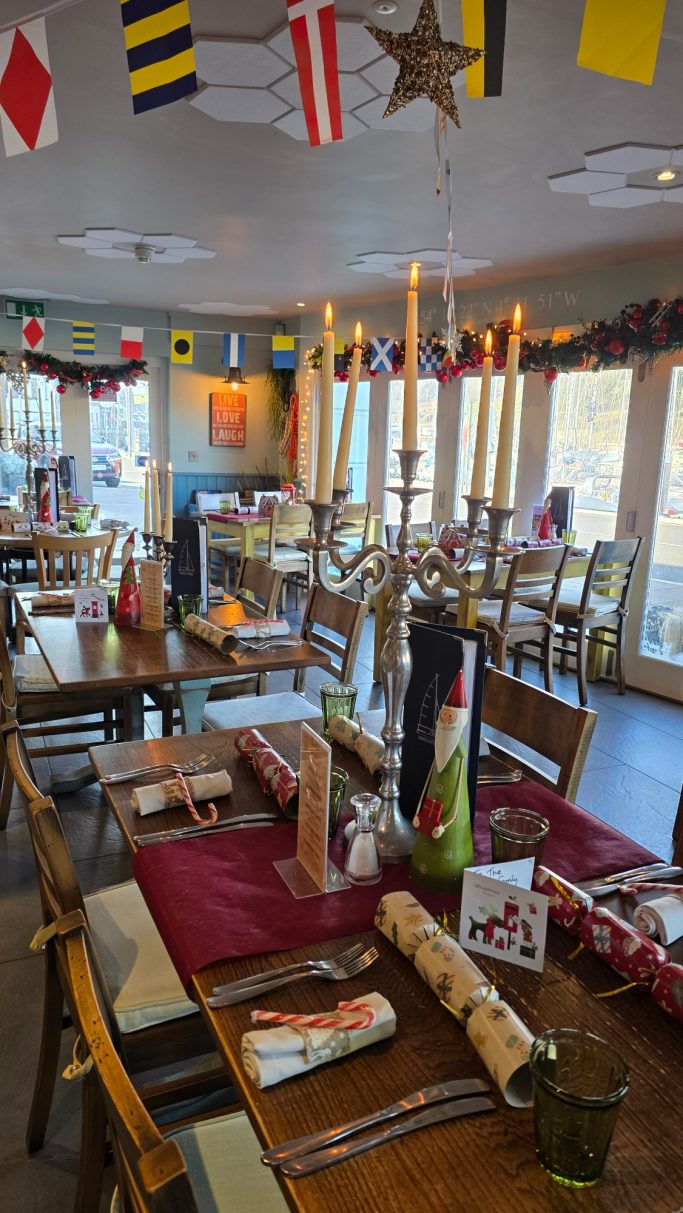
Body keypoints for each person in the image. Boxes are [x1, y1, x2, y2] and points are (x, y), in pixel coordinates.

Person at [409, 670, 473, 894]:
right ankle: (422, 869)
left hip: (449, 827)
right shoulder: (439, 750)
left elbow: (457, 799)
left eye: (451, 717)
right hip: (429, 817)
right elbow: (429, 778)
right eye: (445, 715)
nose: (446, 720)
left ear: (461, 720)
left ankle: (447, 873)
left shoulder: (459, 755)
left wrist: (445, 824)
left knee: (450, 845)